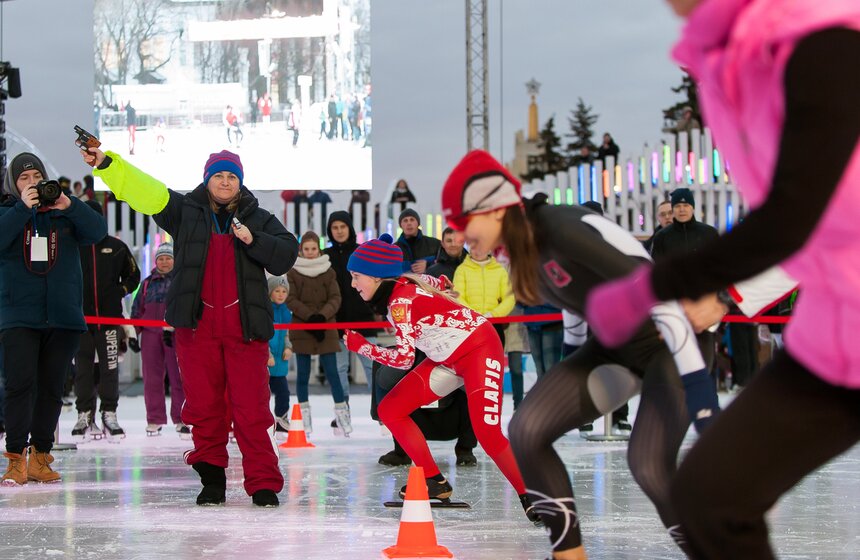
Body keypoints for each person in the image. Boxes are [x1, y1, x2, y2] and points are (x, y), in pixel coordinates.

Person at [586, 3, 860, 558]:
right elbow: (817, 222)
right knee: (712, 498)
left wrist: (651, 287)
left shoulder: (825, 42)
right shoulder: (729, 60)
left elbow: (795, 212)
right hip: (837, 330)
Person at [441, 150, 717, 559]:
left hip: (671, 339)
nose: (461, 236)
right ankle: (570, 554)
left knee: (649, 464)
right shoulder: (520, 255)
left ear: (495, 209)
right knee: (527, 430)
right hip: (615, 349)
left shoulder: (562, 227)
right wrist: (569, 371)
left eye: (462, 223)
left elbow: (655, 287)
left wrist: (701, 396)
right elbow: (576, 303)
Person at [84, 146, 297, 508]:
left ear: (240, 182)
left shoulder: (258, 217)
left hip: (246, 329)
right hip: (196, 329)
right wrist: (108, 165)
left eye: (232, 176)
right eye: (219, 175)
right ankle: (212, 480)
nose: (225, 182)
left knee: (252, 408)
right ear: (207, 179)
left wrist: (252, 239)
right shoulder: (183, 212)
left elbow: (286, 252)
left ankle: (262, 482)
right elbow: (145, 190)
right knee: (203, 407)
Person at [343, 234, 541, 524]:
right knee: (390, 410)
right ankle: (433, 481)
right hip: (447, 358)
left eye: (356, 276)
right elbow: (437, 282)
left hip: (480, 350)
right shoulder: (405, 283)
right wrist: (444, 285)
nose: (352, 284)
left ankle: (531, 495)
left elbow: (405, 359)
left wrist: (364, 348)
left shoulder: (400, 302)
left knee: (487, 433)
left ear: (376, 276)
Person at [1, 152, 107, 486]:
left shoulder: (65, 212)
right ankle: (16, 457)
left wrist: (70, 204)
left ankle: (41, 458)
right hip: (19, 316)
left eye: (37, 177)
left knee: (52, 390)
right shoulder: (8, 212)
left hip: (62, 317)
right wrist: (22, 208)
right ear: (13, 184)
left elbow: (97, 231)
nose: (32, 183)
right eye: (24, 178)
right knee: (19, 386)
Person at [72, 200, 141, 443]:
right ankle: (84, 414)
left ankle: (109, 413)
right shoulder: (73, 247)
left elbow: (134, 275)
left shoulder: (116, 247)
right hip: (80, 322)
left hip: (110, 321)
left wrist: (120, 291)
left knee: (109, 369)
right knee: (83, 370)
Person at [287, 231, 351, 436]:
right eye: (306, 249)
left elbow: (335, 297)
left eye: (313, 248)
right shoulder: (294, 271)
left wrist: (322, 317)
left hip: (326, 326)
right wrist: (309, 316)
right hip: (302, 327)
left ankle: (342, 415)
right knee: (303, 375)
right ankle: (304, 419)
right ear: (301, 251)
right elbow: (290, 298)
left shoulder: (328, 270)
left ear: (319, 249)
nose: (310, 252)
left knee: (332, 372)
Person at [130, 242, 188, 438]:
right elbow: (137, 310)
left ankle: (181, 418)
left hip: (174, 334)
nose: (164, 262)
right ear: (156, 261)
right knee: (152, 378)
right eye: (161, 259)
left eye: (168, 258)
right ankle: (154, 419)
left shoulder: (181, 282)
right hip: (150, 335)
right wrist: (133, 334)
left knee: (178, 377)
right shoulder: (146, 283)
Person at [324, 212, 377, 397]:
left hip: (364, 319)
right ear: (330, 231)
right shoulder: (325, 256)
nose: (339, 231)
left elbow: (377, 283)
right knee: (340, 369)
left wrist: (379, 311)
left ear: (350, 228)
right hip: (336, 322)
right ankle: (342, 412)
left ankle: (379, 410)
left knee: (372, 367)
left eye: (342, 227)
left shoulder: (362, 252)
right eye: (335, 227)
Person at [267, 275, 293, 440]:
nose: (281, 294)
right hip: (266, 362)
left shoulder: (286, 312)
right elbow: (262, 336)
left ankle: (282, 418)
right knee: (261, 394)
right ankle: (262, 421)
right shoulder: (266, 311)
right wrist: (266, 354)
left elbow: (287, 333)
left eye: (284, 291)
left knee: (283, 392)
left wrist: (289, 347)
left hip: (280, 362)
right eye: (277, 290)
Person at [394, 209, 440, 275]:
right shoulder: (394, 249)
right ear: (401, 225)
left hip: (428, 284)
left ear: (418, 223)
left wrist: (428, 265)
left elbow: (445, 262)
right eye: (405, 220)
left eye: (412, 219)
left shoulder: (434, 244)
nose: (409, 223)